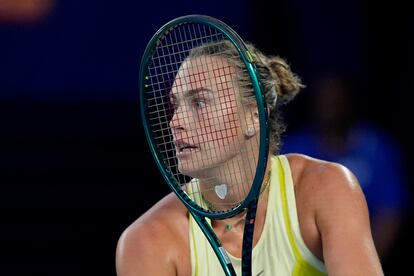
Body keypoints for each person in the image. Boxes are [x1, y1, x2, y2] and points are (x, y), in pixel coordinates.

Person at [116, 41, 383, 275]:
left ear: (254, 115)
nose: (176, 121)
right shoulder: (148, 240)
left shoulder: (327, 189)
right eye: (175, 106)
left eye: (199, 103)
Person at [281, 74, 407, 261]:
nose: (330, 108)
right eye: (325, 101)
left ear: (349, 102)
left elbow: (390, 214)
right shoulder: (293, 149)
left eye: (336, 100)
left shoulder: (379, 149)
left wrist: (361, 263)